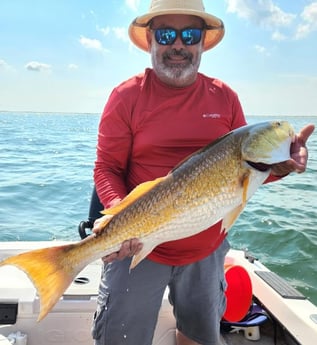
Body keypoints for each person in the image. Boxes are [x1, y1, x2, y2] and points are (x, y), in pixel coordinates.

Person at [92, 1, 315, 344]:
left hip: (206, 251)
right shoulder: (126, 97)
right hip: (137, 246)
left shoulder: (225, 98)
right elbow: (107, 167)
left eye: (189, 34)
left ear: (201, 42)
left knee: (199, 337)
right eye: (167, 34)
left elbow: (245, 173)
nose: (178, 45)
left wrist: (282, 165)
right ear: (151, 39)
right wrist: (121, 218)